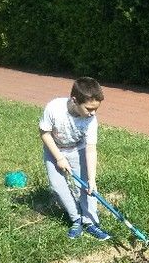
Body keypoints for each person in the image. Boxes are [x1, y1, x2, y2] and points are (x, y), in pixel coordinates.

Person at [40, 77, 111, 241]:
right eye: (88, 108)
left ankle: (90, 222)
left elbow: (91, 148)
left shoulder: (91, 120)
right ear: (74, 100)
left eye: (96, 109)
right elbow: (44, 133)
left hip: (77, 149)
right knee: (58, 186)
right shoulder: (54, 108)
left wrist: (92, 179)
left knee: (86, 187)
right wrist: (59, 157)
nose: (92, 113)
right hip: (54, 150)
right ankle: (76, 219)